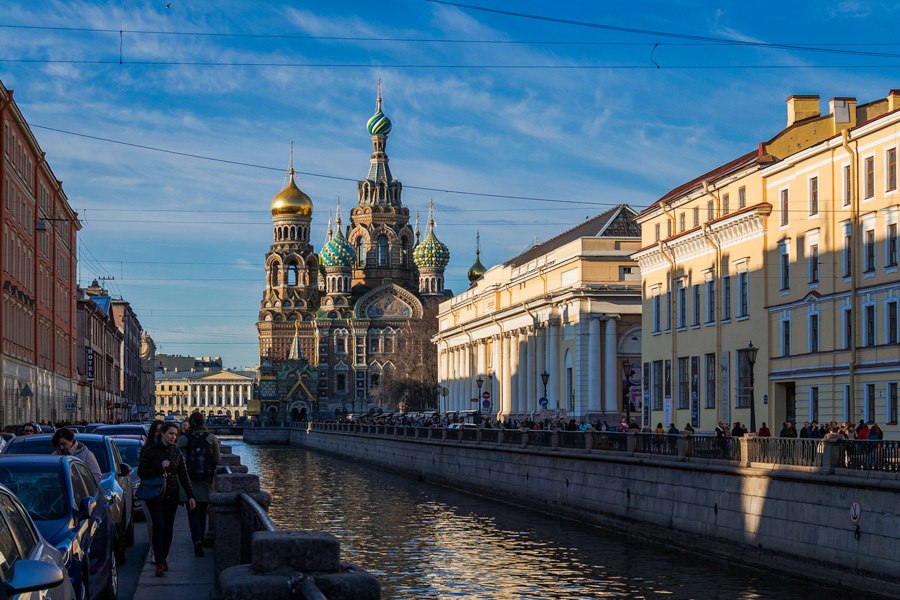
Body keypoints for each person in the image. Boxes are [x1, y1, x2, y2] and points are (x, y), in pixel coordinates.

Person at [139, 421, 196, 577]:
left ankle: (162, 558)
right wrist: (160, 467)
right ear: (162, 433)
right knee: (159, 526)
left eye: (175, 435)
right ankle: (159, 562)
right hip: (155, 495)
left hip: (171, 494)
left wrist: (191, 496)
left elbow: (184, 475)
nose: (173, 437)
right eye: (171, 433)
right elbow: (142, 473)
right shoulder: (149, 450)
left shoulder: (176, 452)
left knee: (168, 529)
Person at [177, 412, 221, 557]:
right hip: (205, 481)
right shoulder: (211, 438)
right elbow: (217, 460)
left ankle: (196, 540)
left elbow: (176, 457)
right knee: (202, 512)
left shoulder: (184, 439)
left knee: (192, 513)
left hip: (188, 482)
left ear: (191, 423)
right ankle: (201, 539)